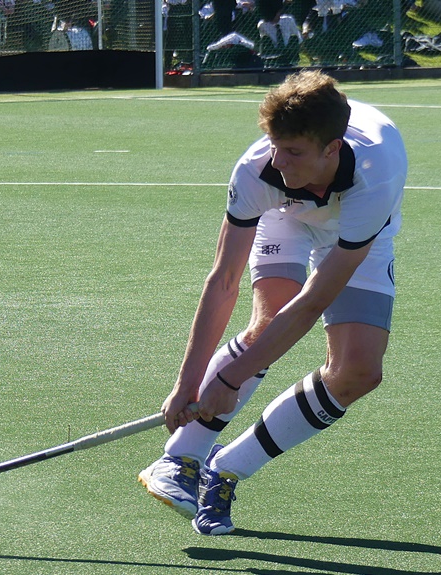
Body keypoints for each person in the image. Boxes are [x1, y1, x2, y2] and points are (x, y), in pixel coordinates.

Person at [137, 70, 407, 535]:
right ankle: (181, 458)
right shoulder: (258, 169)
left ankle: (225, 469)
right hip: (286, 217)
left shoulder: (374, 175)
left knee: (359, 372)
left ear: (331, 148)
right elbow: (224, 281)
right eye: (275, 144)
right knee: (265, 323)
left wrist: (230, 378)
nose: (278, 161)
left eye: (294, 152)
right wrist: (188, 383)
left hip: (358, 233)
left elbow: (311, 304)